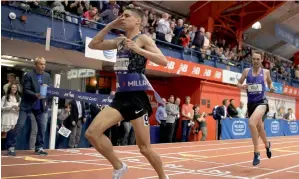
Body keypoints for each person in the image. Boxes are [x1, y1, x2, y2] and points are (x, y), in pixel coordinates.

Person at [85, 6, 169, 179]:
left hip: (137, 97)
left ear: (138, 21)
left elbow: (163, 61)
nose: (123, 18)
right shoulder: (119, 41)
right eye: (121, 16)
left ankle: (163, 177)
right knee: (92, 133)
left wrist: (139, 50)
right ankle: (119, 165)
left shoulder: (143, 38)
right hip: (121, 97)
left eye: (127, 16)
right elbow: (93, 44)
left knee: (144, 148)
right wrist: (111, 24)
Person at [6, 57, 51, 156]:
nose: (43, 66)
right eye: (40, 64)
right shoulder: (28, 75)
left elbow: (49, 90)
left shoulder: (47, 76)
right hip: (27, 105)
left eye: (44, 64)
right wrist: (36, 95)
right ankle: (11, 147)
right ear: (35, 65)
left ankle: (39, 147)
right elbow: (25, 90)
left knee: (42, 127)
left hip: (40, 106)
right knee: (20, 125)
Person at [237, 51, 274, 166]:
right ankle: (267, 145)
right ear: (251, 60)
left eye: (258, 59)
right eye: (254, 59)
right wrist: (241, 86)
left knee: (252, 123)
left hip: (262, 103)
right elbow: (238, 83)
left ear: (261, 60)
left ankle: (256, 152)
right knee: (260, 128)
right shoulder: (246, 71)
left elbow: (270, 83)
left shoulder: (266, 72)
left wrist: (271, 88)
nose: (256, 61)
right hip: (251, 104)